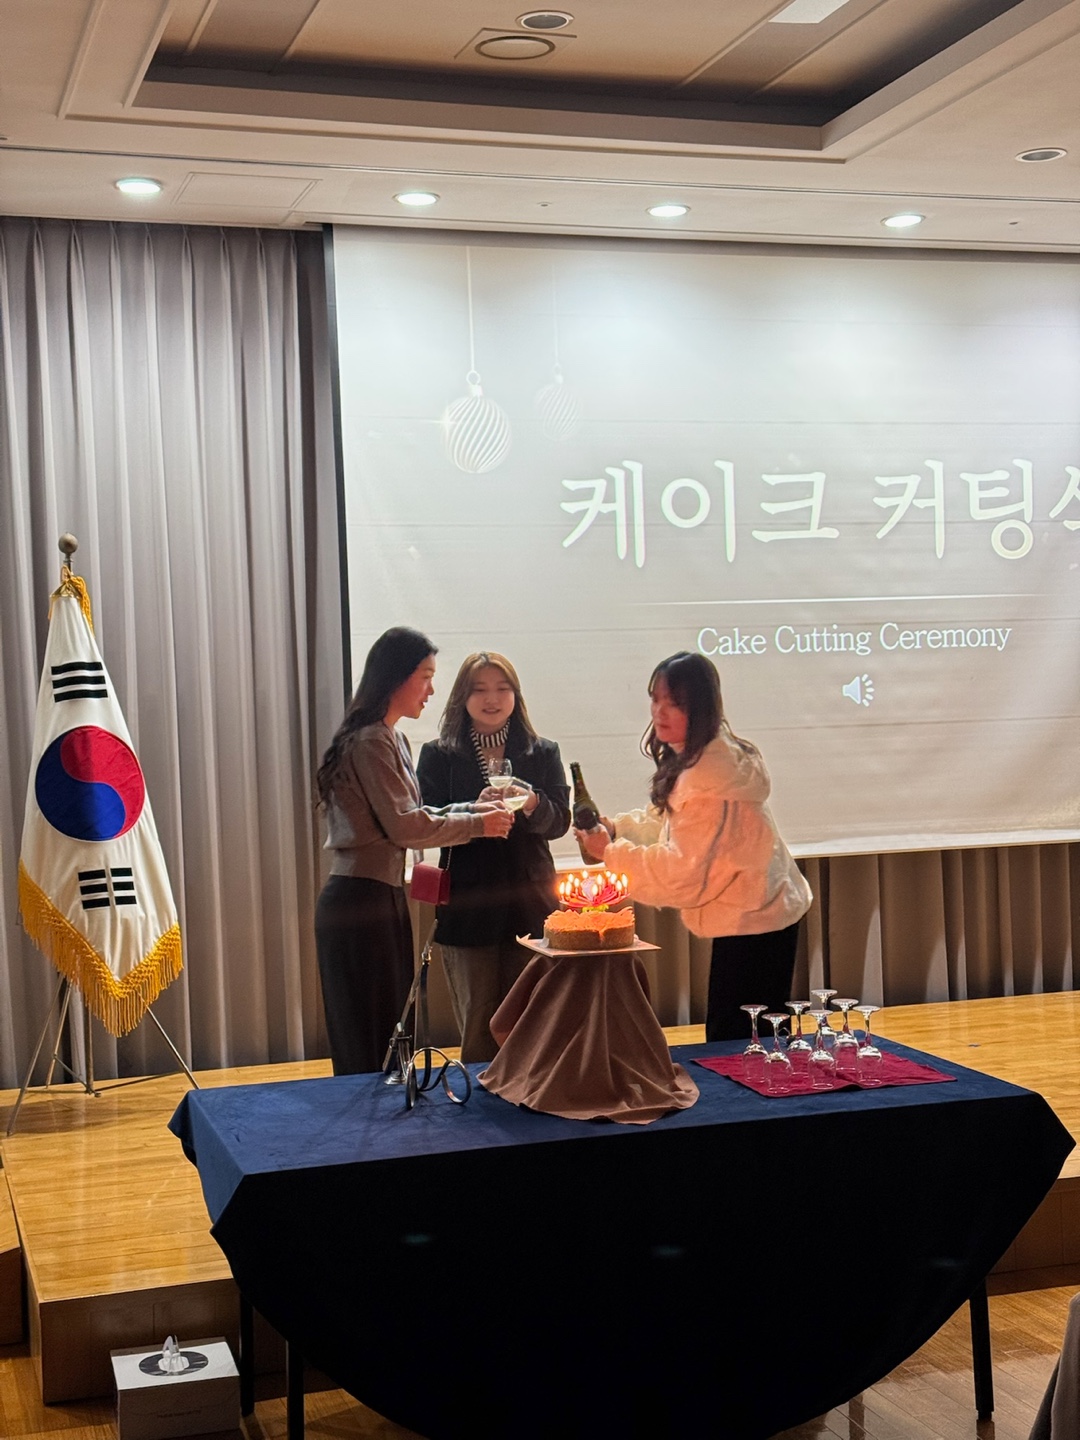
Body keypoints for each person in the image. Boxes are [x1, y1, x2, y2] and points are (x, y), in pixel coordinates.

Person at [577, 651, 811, 1041]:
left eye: (675, 703)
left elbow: (683, 872)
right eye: (656, 699)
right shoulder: (708, 758)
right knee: (747, 1041)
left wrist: (610, 852)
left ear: (701, 707)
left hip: (755, 919)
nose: (659, 711)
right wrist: (618, 829)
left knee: (738, 1045)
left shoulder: (711, 774)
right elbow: (675, 825)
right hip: (758, 911)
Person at [315, 628, 513, 1075]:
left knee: (390, 1032)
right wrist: (478, 824)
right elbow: (405, 826)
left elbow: (414, 814)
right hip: (359, 901)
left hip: (378, 896)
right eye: (425, 676)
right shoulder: (370, 740)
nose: (432, 690)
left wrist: (472, 808)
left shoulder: (392, 738)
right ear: (397, 677)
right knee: (370, 1039)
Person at [417, 652, 570, 1062]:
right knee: (480, 1026)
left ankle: (531, 1096)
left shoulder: (543, 752)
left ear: (516, 696)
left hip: (531, 903)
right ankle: (481, 1102)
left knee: (532, 1023)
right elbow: (424, 819)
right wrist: (472, 810)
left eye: (503, 689)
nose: (492, 699)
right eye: (480, 689)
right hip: (469, 907)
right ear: (461, 697)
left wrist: (533, 802)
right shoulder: (439, 755)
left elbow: (559, 822)